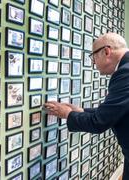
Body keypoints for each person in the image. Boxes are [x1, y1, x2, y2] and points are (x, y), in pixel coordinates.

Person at [44, 32, 129, 180]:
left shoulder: (125, 73)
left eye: (93, 57)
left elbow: (99, 122)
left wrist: (67, 114)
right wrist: (82, 110)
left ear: (106, 51)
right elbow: (115, 110)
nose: (93, 63)